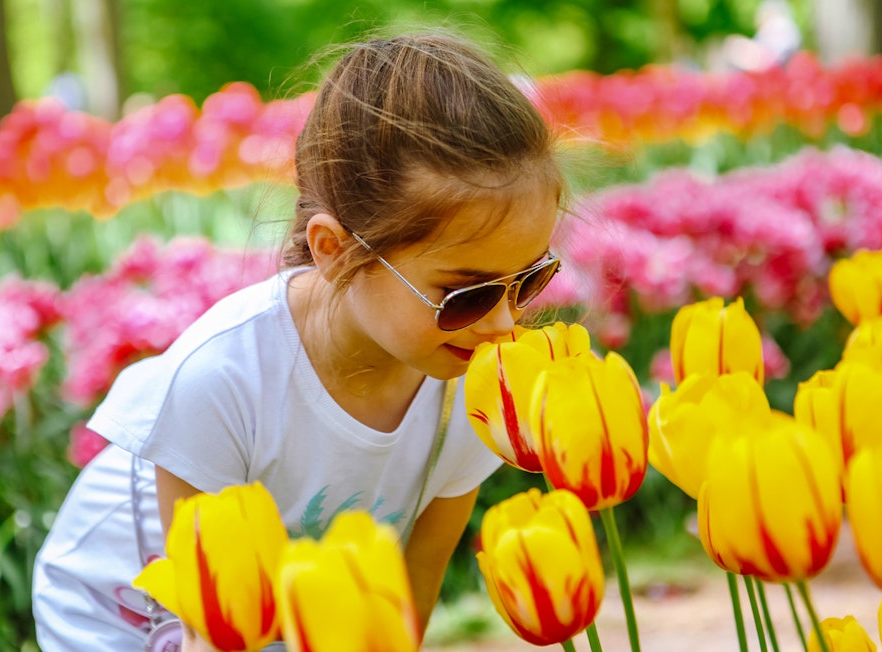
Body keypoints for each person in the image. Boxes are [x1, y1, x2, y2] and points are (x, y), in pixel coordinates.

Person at [32, 30, 566, 651]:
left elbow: (409, 592)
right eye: (467, 295)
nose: (503, 325)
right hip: (123, 612)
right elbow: (209, 625)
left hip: (283, 610)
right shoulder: (222, 379)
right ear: (334, 252)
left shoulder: (472, 389)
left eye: (529, 280)